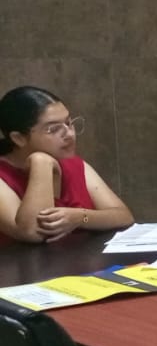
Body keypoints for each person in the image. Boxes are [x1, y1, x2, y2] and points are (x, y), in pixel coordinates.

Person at [0, 86, 133, 243]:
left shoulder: (72, 163)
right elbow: (33, 232)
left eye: (69, 123)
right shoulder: (4, 175)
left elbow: (123, 216)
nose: (69, 134)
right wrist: (41, 163)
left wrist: (80, 217)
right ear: (19, 138)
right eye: (53, 129)